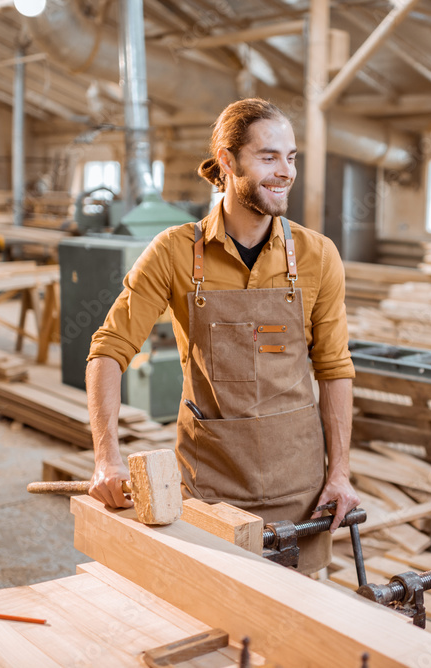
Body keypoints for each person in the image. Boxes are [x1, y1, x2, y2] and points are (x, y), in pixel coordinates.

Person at [85, 98, 359, 574]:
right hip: (208, 489)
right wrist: (106, 458)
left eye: (291, 157)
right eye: (268, 156)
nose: (285, 171)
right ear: (228, 161)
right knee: (211, 612)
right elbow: (109, 348)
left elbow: (334, 369)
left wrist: (340, 474)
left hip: (300, 492)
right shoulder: (173, 252)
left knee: (297, 630)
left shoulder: (318, 255)